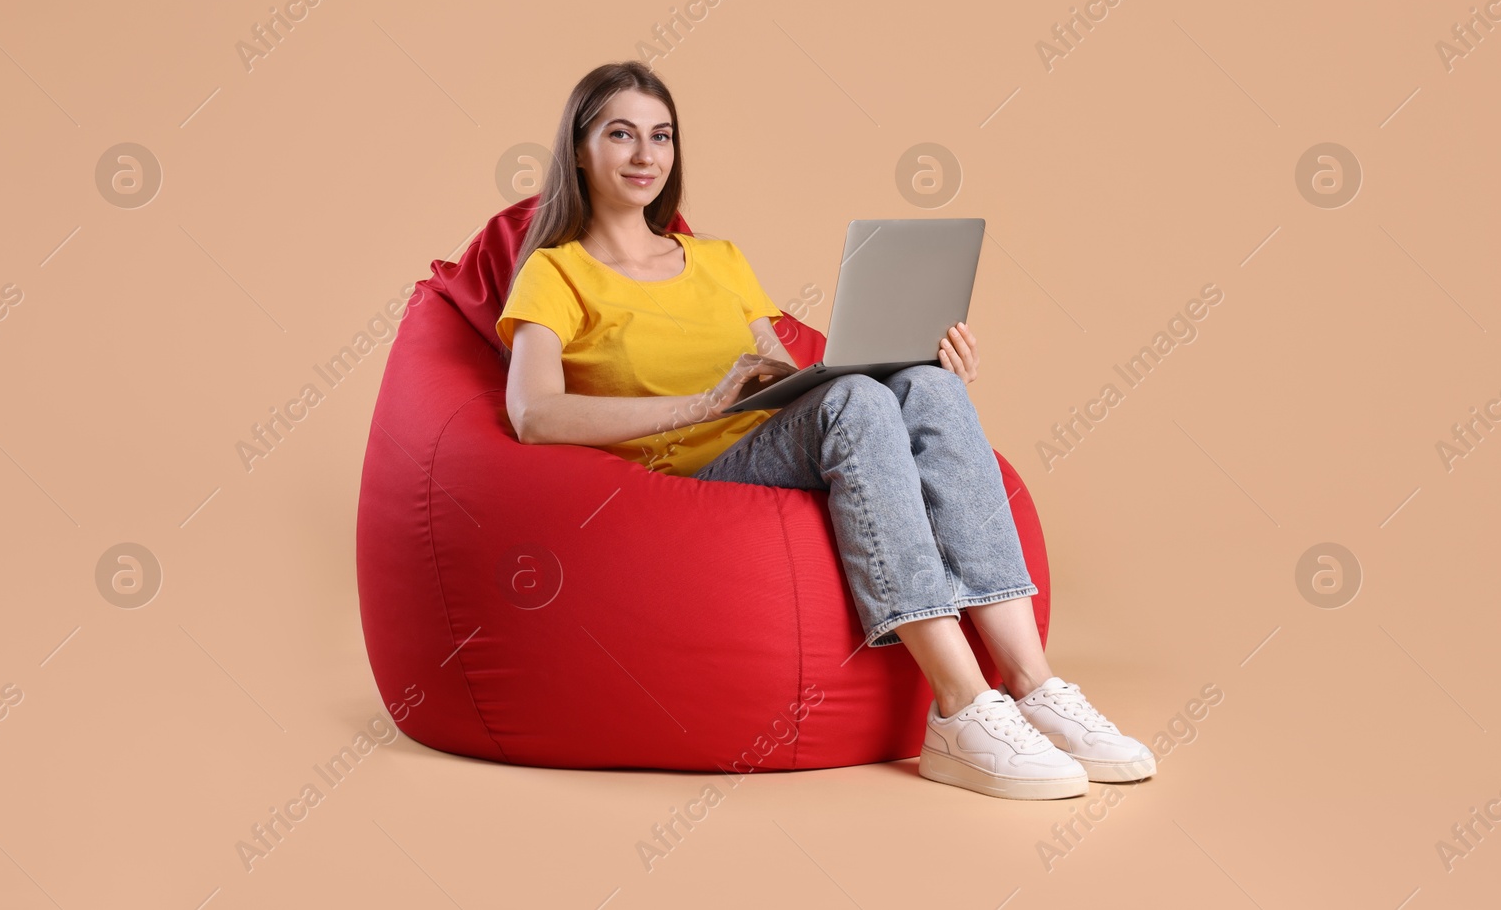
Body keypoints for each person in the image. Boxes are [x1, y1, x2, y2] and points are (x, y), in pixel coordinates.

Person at [495, 61, 1155, 801]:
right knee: (858, 405)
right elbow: (532, 414)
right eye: (621, 134)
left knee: (923, 386)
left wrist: (915, 380)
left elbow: (778, 379)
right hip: (693, 474)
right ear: (580, 149)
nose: (646, 155)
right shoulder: (556, 272)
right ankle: (961, 706)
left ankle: (1033, 683)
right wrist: (699, 406)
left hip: (768, 440)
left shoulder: (718, 258)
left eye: (662, 136)